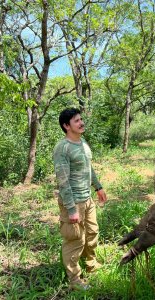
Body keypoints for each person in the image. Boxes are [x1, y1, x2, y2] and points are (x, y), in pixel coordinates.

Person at [53, 107, 107, 290]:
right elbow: (63, 180)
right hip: (73, 201)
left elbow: (88, 167)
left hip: (87, 198)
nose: (81, 122)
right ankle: (74, 280)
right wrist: (71, 208)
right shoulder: (62, 148)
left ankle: (91, 265)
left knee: (92, 233)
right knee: (75, 239)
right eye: (76, 120)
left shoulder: (83, 143)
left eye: (81, 119)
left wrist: (98, 187)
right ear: (66, 126)